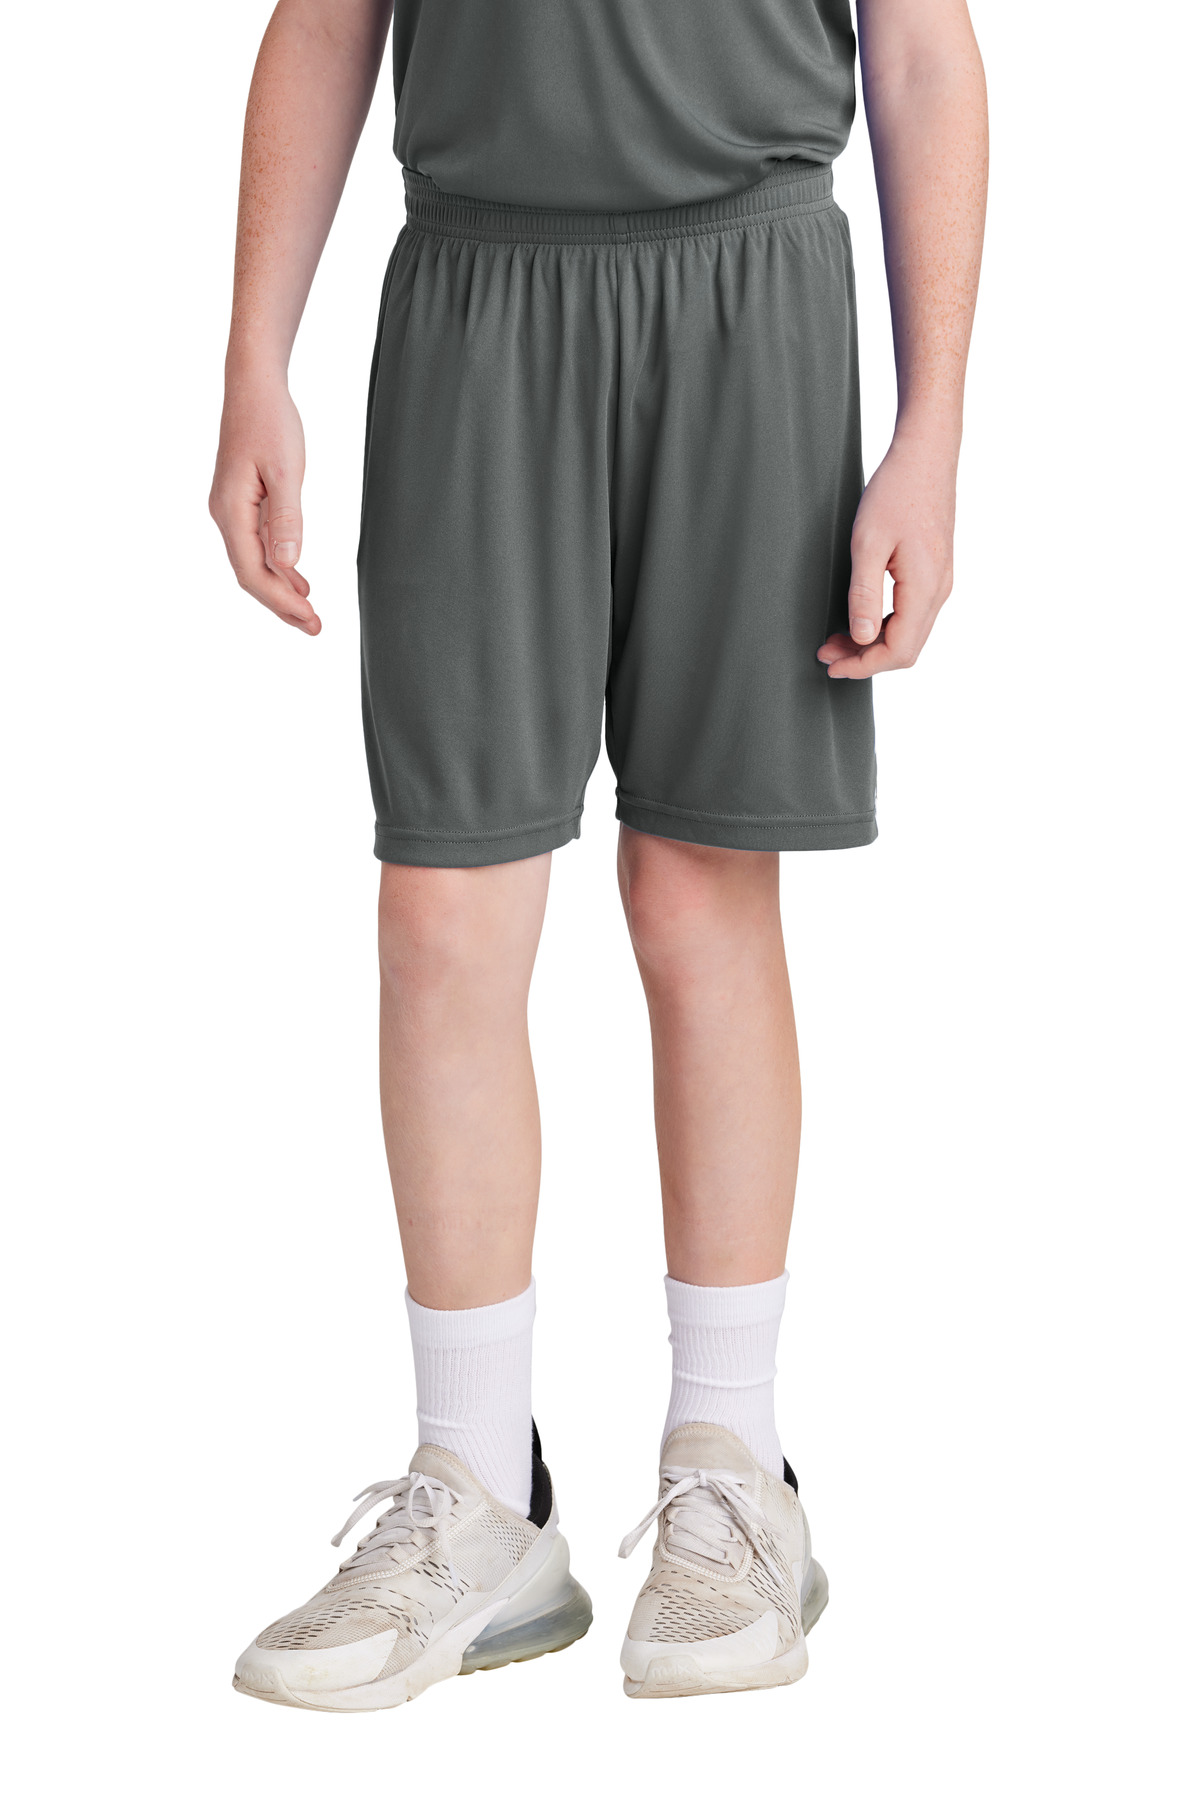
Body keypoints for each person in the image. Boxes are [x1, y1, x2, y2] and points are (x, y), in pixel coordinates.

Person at [211, 0, 986, 1709]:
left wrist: (931, 428)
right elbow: (326, 18)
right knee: (443, 907)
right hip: (477, 299)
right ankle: (479, 1490)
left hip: (750, 291)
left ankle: (734, 1467)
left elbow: (923, 48)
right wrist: (255, 351)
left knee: (700, 896)